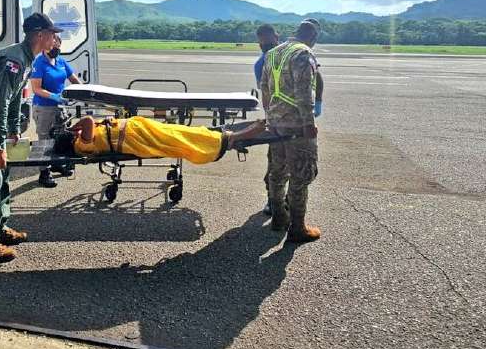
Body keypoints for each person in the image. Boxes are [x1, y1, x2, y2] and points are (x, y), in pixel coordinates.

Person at [0, 12, 60, 263]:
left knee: (2, 174)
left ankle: (0, 228)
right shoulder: (13, 60)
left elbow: (16, 98)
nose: (56, 38)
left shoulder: (27, 58)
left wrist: (15, 129)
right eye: (52, 33)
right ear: (40, 35)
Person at [260, 20, 321, 243]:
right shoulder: (303, 54)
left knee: (277, 172)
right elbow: (304, 92)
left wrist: (271, 118)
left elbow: (264, 88)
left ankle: (279, 218)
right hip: (297, 125)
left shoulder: (274, 53)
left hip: (276, 124)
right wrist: (309, 123)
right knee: (301, 175)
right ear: (313, 37)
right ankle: (297, 228)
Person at [53, 115, 267, 164]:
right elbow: (88, 120)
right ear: (71, 138)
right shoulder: (81, 145)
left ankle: (221, 137)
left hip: (140, 130)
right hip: (138, 137)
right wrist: (76, 127)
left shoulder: (81, 144)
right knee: (179, 139)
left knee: (180, 132)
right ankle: (232, 138)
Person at [30, 35, 82, 188]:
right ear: (46, 46)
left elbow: (73, 79)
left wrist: (83, 91)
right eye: (53, 46)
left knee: (60, 137)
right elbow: (36, 88)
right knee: (44, 140)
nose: (56, 49)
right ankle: (44, 172)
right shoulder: (39, 63)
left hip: (60, 107)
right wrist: (54, 96)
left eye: (58, 47)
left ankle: (57, 164)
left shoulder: (61, 62)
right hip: (44, 107)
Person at [254, 24, 280, 216]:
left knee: (277, 162)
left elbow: (265, 96)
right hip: (286, 120)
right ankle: (275, 201)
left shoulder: (262, 62)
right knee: (278, 162)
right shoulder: (262, 63)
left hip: (279, 119)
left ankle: (275, 201)